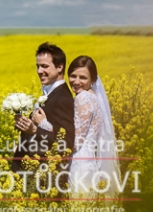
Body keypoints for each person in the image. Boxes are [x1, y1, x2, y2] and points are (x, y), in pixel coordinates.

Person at [34, 55, 120, 197]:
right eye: (73, 76)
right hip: (88, 161)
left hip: (77, 164)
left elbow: (74, 142)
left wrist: (42, 123)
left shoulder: (83, 98)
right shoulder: (93, 97)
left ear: (92, 79)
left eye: (83, 78)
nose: (76, 81)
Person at [11, 42, 75, 181]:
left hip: (44, 179)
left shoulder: (62, 98)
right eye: (38, 66)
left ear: (59, 67)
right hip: (30, 174)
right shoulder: (49, 94)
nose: (39, 71)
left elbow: (66, 143)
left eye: (45, 66)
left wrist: (34, 130)